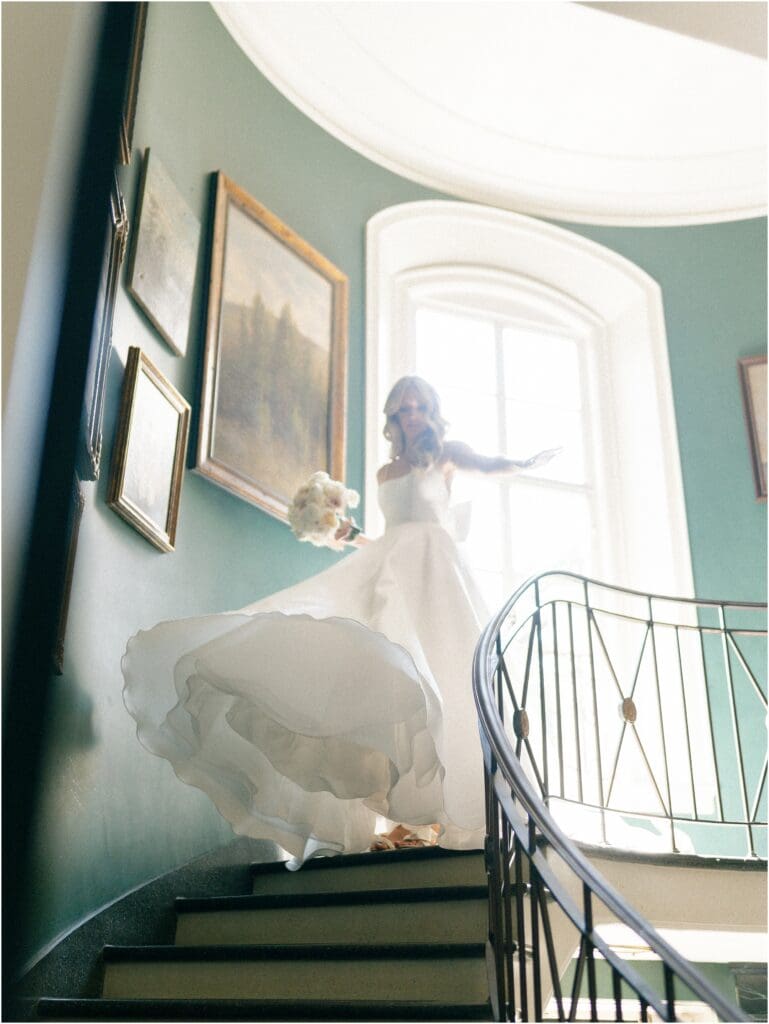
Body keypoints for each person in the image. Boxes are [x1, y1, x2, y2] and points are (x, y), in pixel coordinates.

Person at [122, 376, 559, 866]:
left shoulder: (444, 455)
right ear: (392, 420)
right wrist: (345, 532)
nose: (410, 416)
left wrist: (520, 464)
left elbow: (485, 465)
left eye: (418, 407)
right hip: (392, 571)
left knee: (451, 671)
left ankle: (457, 811)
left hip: (439, 572)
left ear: (431, 412)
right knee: (386, 675)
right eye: (401, 410)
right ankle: (400, 818)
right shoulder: (384, 471)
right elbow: (390, 536)